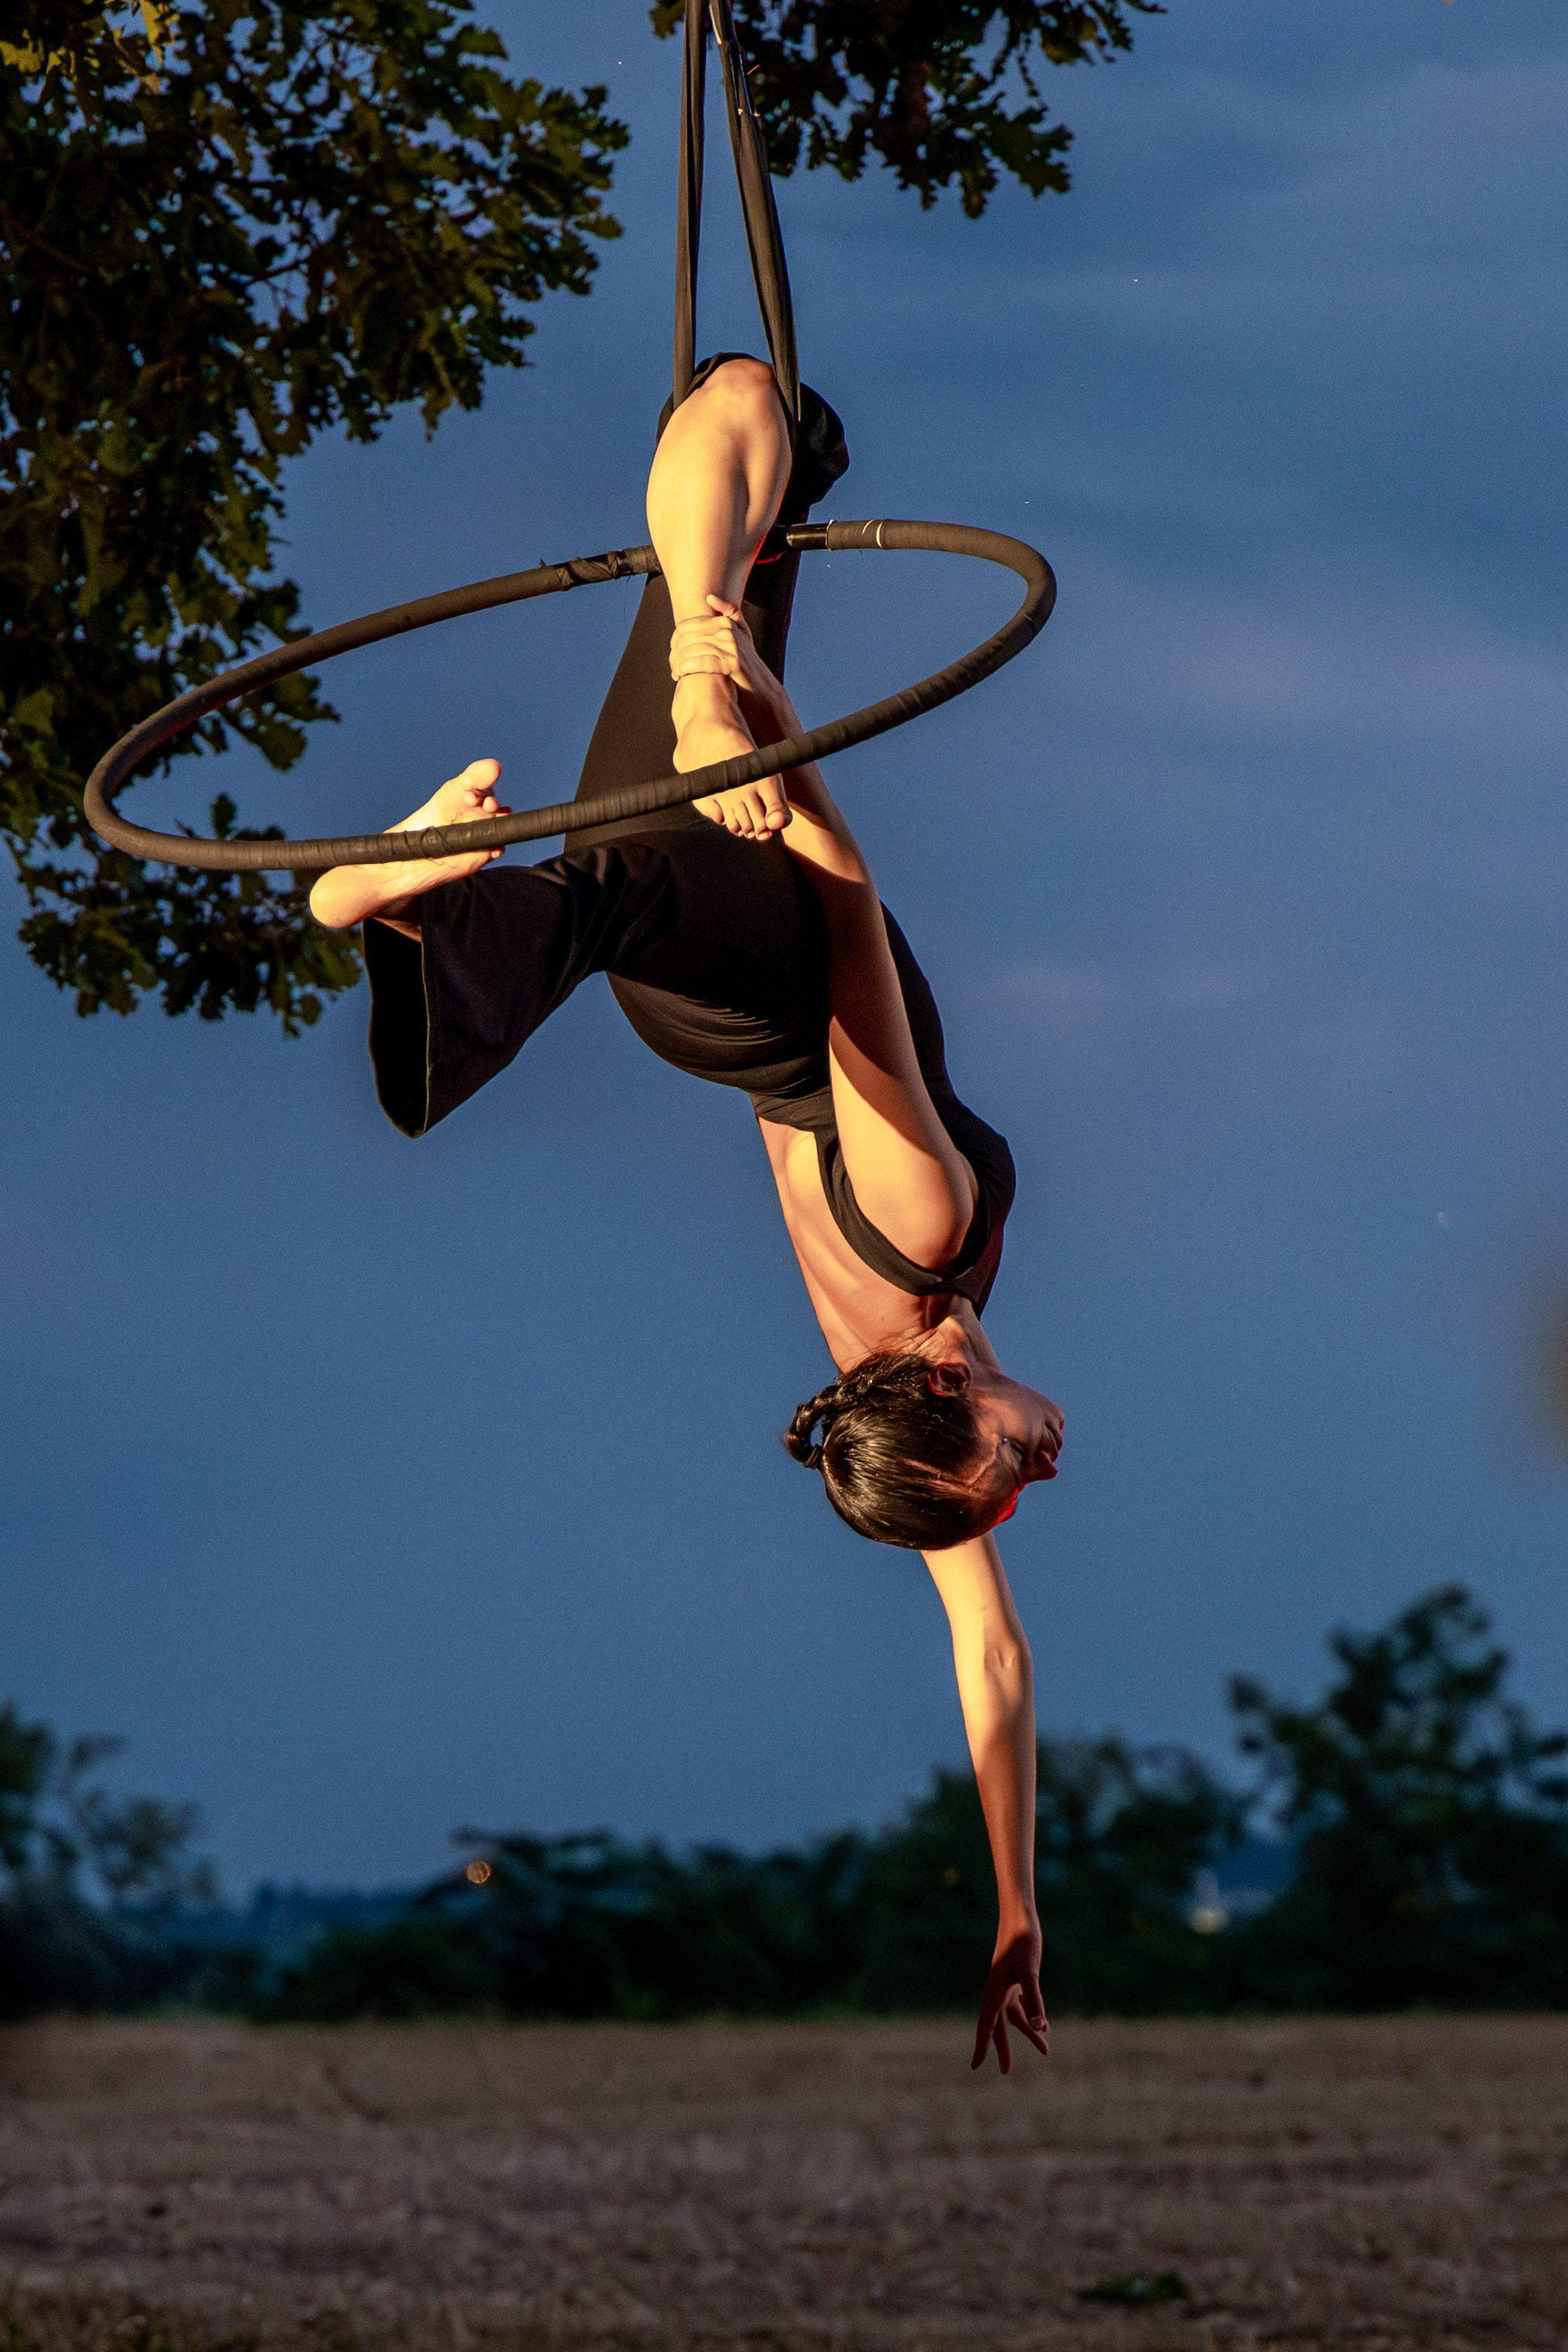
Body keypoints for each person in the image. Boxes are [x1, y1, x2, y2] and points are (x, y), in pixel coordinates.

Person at [309, 356, 1062, 2073]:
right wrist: (1014, 1901)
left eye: (1011, 1463)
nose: (1038, 1467)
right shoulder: (890, 1392)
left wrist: (767, 753)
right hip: (697, 1002)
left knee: (729, 430)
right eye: (1011, 1483)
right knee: (742, 473)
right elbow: (994, 1665)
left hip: (754, 954)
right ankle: (428, 907)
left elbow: (856, 935)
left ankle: (395, 896)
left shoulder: (930, 1226)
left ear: (949, 1396)